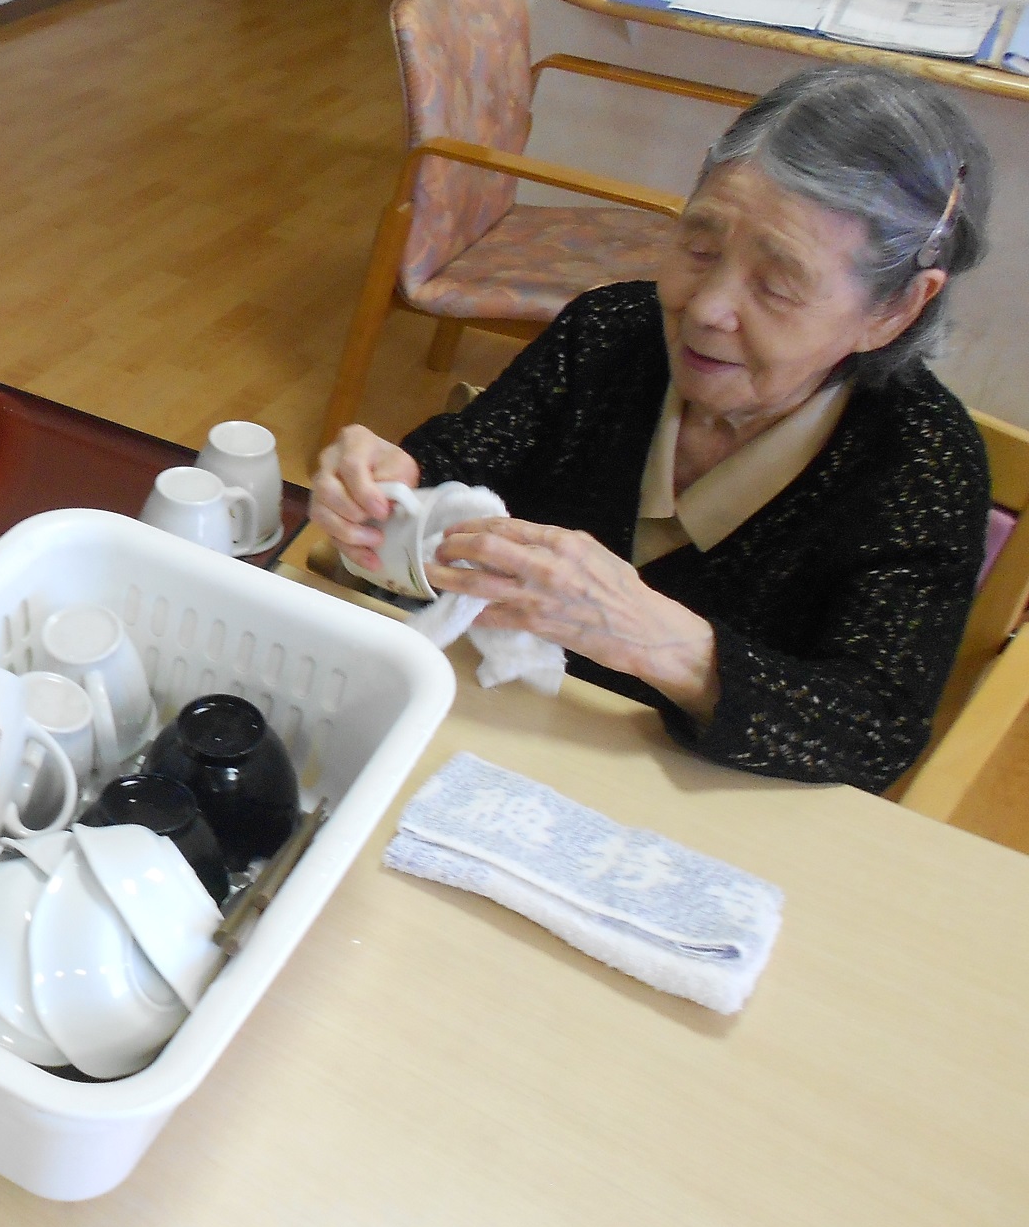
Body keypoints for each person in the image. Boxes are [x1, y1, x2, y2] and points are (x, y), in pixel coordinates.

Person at [311, 64, 993, 794]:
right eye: (699, 248)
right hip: (486, 740)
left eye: (776, 285)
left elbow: (874, 731)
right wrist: (390, 491)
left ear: (895, 310)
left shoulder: (922, 461)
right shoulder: (611, 332)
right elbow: (461, 462)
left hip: (686, 804)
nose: (705, 309)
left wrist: (662, 641)